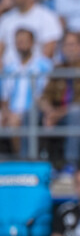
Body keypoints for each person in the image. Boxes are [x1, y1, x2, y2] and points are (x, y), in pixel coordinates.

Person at [36, 32, 80, 173]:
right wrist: (49, 111)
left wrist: (60, 112)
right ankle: (28, 161)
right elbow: (44, 96)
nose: (70, 48)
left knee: (76, 112)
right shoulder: (58, 69)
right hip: (58, 114)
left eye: (73, 44)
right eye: (66, 45)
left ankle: (71, 163)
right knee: (30, 113)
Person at [0, 28, 52, 156]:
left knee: (15, 121)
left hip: (35, 109)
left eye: (24, 41)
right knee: (10, 119)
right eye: (18, 42)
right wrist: (5, 112)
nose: (21, 45)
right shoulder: (10, 68)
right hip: (13, 110)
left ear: (32, 43)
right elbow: (5, 95)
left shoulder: (44, 65)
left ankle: (22, 159)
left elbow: (45, 92)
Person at [0, 0, 63, 65]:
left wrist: (35, 69)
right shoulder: (6, 18)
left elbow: (50, 50)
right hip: (8, 73)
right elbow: (1, 46)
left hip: (37, 73)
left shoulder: (47, 17)